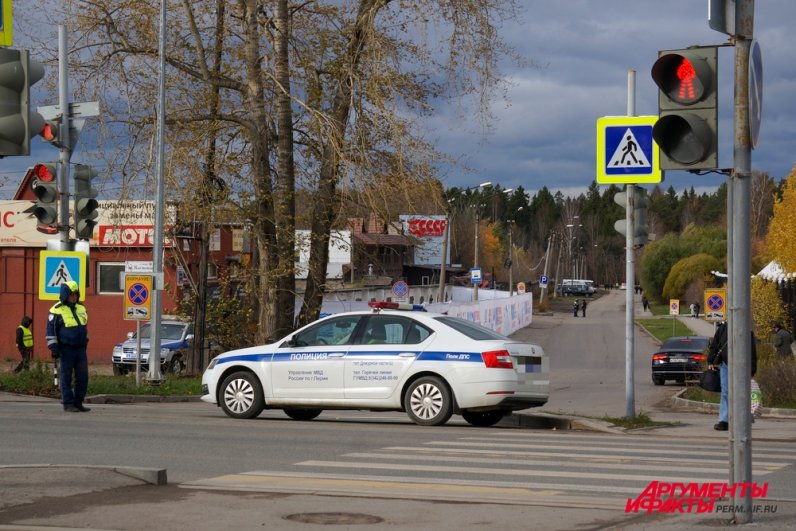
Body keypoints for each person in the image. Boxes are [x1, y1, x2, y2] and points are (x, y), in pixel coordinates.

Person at [46, 281, 91, 413]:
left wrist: (85, 341)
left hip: (80, 349)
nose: (74, 297)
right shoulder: (56, 310)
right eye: (72, 295)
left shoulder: (81, 308)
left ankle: (78, 402)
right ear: (65, 295)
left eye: (76, 294)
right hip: (66, 349)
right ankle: (68, 403)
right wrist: (54, 348)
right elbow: (51, 331)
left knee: (83, 377)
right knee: (66, 377)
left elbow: (84, 327)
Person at [707, 321, 757, 431]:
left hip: (742, 365)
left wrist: (751, 369)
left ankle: (743, 419)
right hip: (725, 364)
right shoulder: (723, 328)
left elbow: (751, 349)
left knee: (741, 393)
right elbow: (715, 344)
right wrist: (711, 360)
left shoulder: (745, 329)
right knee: (726, 391)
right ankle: (724, 421)